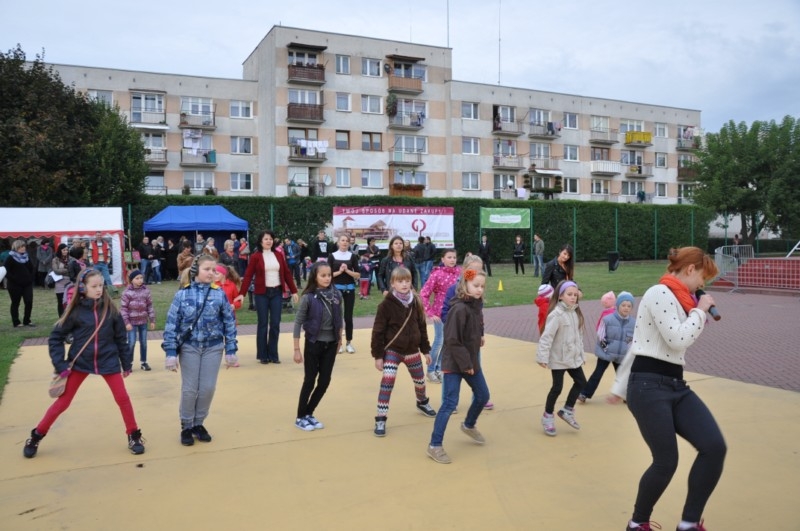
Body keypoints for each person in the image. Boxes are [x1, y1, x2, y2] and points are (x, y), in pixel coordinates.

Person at [610, 247, 724, 531]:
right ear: (690, 269)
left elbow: (652, 343)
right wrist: (700, 311)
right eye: (702, 278)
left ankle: (688, 523)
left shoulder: (682, 302)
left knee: (714, 446)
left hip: (675, 385)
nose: (702, 285)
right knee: (666, 461)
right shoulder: (658, 293)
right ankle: (637, 523)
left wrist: (695, 311)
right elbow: (677, 339)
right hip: (647, 386)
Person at [22, 268, 145, 458]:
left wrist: (126, 363)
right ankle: (36, 435)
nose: (99, 289)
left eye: (101, 285)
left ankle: (134, 435)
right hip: (80, 362)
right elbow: (55, 338)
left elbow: (121, 338)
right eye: (94, 286)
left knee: (123, 398)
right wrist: (60, 364)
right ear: (82, 288)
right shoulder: (76, 312)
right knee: (63, 402)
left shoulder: (111, 310)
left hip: (108, 360)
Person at [162, 255, 239, 446]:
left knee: (207, 388)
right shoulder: (182, 294)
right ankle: (186, 425)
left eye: (214, 270)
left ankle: (199, 423)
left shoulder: (219, 294)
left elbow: (229, 322)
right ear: (196, 271)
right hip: (190, 347)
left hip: (213, 347)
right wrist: (170, 353)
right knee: (190, 389)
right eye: (207, 269)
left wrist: (231, 349)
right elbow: (171, 323)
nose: (212, 273)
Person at [427, 268, 489, 464]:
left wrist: (480, 335)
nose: (479, 289)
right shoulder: (459, 309)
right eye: (475, 285)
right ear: (465, 284)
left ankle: (469, 424)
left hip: (470, 361)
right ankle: (435, 445)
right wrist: (466, 364)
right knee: (449, 403)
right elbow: (452, 340)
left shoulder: (476, 305)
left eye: (482, 286)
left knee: (483, 395)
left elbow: (477, 325)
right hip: (455, 363)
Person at [371, 266, 436, 437]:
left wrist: (426, 350)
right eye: (400, 281)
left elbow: (422, 327)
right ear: (392, 283)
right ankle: (381, 417)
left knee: (420, 381)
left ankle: (422, 402)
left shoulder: (416, 302)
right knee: (387, 381)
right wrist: (378, 356)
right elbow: (378, 332)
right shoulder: (385, 305)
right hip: (393, 351)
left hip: (412, 351)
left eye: (407, 281)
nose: (404, 284)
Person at [292, 262, 343, 431]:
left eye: (329, 275)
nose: (327, 278)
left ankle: (309, 413)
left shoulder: (337, 295)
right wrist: (297, 349)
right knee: (309, 380)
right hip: (314, 343)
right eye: (323, 275)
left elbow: (340, 318)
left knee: (324, 381)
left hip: (331, 344)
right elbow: (298, 322)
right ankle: (300, 416)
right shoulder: (308, 297)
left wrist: (339, 340)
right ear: (315, 276)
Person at [236, 231, 299, 364]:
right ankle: (263, 355)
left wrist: (293, 291)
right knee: (263, 324)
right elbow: (248, 275)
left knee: (275, 323)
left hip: (276, 292)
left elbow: (287, 273)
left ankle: (273, 354)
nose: (269, 241)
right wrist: (242, 293)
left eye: (270, 239)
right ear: (261, 241)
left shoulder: (278, 255)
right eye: (266, 239)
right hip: (261, 294)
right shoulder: (255, 256)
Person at [440, 254, 493, 410]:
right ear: (464, 271)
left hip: (472, 338)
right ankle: (448, 400)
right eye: (473, 270)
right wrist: (454, 325)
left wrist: (481, 333)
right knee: (451, 369)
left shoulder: (478, 291)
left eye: (480, 269)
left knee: (475, 365)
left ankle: (479, 397)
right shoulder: (454, 289)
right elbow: (445, 312)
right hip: (456, 336)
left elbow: (478, 314)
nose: (477, 273)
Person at [536, 280, 587, 436]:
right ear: (560, 296)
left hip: (572, 358)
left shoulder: (575, 314)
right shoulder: (556, 315)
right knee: (557, 388)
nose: (573, 297)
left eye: (575, 295)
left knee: (581, 382)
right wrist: (543, 357)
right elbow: (547, 337)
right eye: (569, 294)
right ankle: (548, 416)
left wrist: (581, 355)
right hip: (558, 358)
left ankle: (567, 410)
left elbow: (579, 338)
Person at [578, 291, 634, 403]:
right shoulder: (608, 319)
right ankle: (584, 393)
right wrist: (606, 348)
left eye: (629, 306)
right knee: (597, 374)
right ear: (617, 305)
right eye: (623, 305)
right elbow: (601, 335)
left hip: (621, 355)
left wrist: (627, 348)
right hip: (606, 353)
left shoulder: (633, 323)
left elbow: (631, 338)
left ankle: (625, 395)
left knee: (622, 376)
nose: (626, 308)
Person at [419, 248, 460, 383]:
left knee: (448, 342)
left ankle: (440, 368)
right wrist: (430, 312)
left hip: (455, 313)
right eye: (449, 257)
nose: (452, 260)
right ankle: (430, 370)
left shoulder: (459, 273)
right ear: (443, 259)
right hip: (440, 313)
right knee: (439, 340)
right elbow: (424, 293)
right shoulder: (437, 274)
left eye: (454, 257)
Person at [328, 235, 360, 354]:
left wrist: (347, 271)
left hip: (350, 289)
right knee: (336, 317)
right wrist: (340, 271)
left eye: (347, 241)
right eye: (342, 240)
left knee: (348, 317)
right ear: (338, 242)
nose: (345, 242)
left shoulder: (352, 256)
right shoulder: (332, 256)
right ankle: (338, 342)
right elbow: (328, 275)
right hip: (336, 290)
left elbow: (358, 275)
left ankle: (349, 342)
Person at [120, 269, 156, 371]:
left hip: (143, 322)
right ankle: (128, 363)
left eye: (141, 278)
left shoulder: (146, 291)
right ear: (131, 280)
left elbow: (150, 306)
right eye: (137, 278)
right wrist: (126, 322)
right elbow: (123, 309)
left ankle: (144, 362)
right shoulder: (127, 293)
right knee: (131, 343)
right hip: (131, 323)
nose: (140, 280)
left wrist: (152, 320)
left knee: (143, 342)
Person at [4, 239, 36, 328]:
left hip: (27, 284)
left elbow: (32, 268)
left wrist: (30, 278)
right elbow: (6, 271)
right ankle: (16, 322)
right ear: (16, 247)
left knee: (29, 302)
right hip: (14, 285)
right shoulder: (10, 258)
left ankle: (27, 320)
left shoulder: (27, 257)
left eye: (24, 246)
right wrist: (15, 279)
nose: (23, 248)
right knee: (15, 303)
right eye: (21, 247)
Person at [51, 243, 71, 317]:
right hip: (59, 282)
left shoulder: (71, 259)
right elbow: (56, 270)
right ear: (60, 250)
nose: (66, 251)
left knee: (69, 301)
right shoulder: (55, 260)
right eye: (64, 250)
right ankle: (61, 318)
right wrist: (67, 270)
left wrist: (63, 270)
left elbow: (73, 269)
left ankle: (68, 317)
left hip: (69, 282)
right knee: (60, 301)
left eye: (67, 250)